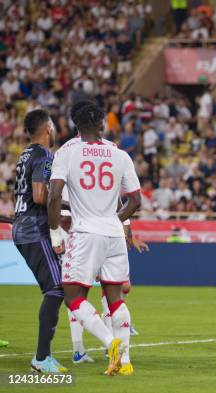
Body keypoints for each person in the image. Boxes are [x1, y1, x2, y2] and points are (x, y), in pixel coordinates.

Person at [47, 102, 142, 376]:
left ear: (75, 124)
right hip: (114, 233)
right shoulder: (120, 154)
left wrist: (55, 234)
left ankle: (109, 342)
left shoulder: (66, 152)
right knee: (116, 297)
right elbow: (135, 200)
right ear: (102, 123)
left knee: (73, 296)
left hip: (86, 233)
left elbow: (54, 196)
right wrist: (115, 219)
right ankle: (125, 363)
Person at [12, 109, 67, 373]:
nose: (55, 130)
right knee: (56, 288)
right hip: (34, 229)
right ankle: (41, 358)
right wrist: (68, 204)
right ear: (48, 128)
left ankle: (45, 356)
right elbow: (39, 195)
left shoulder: (24, 155)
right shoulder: (45, 155)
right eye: (54, 126)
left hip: (23, 226)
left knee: (56, 288)